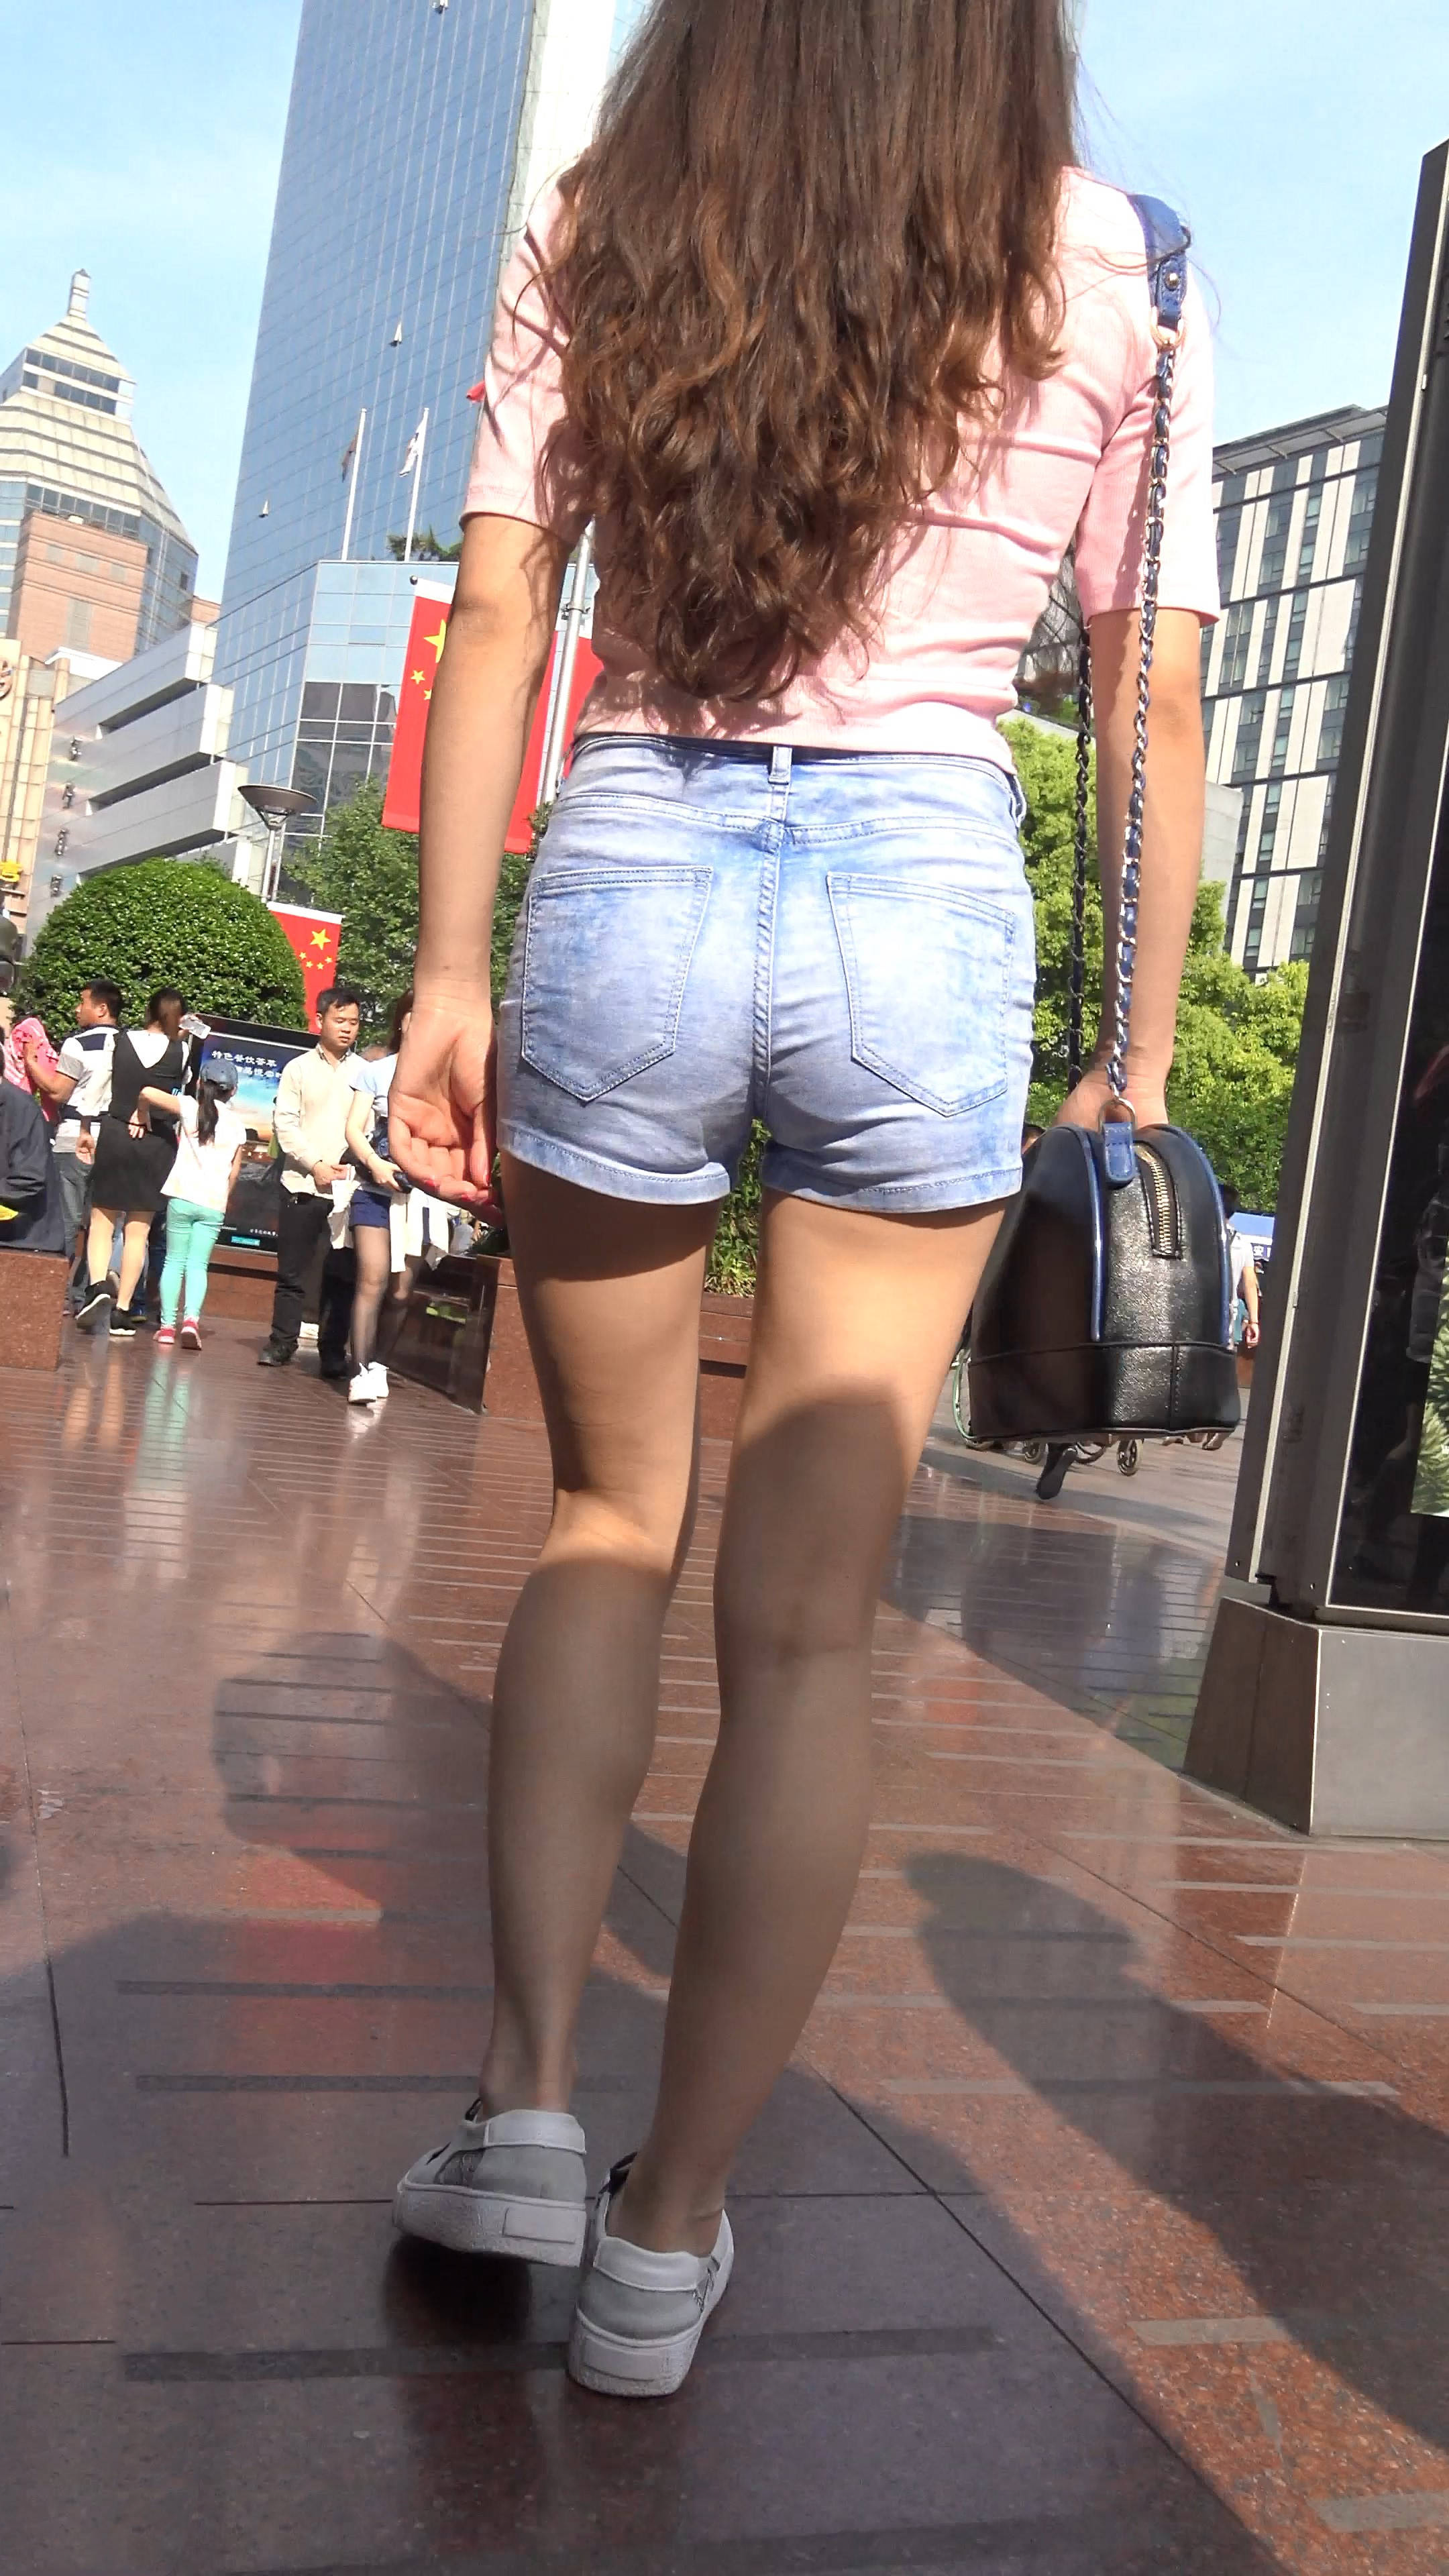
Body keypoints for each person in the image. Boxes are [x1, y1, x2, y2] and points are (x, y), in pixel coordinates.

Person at [388, 0, 1216, 2398]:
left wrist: (450, 974)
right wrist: (1142, 1054)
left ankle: (526, 2112)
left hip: (639, 850)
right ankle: (667, 2240)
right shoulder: (1114, 259)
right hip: (921, 894)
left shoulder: (611, 219)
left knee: (603, 1520)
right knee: (806, 1625)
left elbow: (507, 615)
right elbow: (1146, 700)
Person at [256, 985, 362, 1375]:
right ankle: (281, 1343)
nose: (347, 1028)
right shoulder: (298, 1069)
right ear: (320, 1020)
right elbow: (285, 1124)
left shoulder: (364, 1074)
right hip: (301, 1185)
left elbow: (369, 1128)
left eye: (354, 1022)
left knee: (342, 1276)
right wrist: (314, 1164)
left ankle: (332, 1352)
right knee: (292, 1273)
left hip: (346, 1190)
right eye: (340, 1020)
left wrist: (349, 1165)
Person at [74, 988, 191, 1337]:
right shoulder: (183, 1050)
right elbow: (181, 1091)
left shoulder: (120, 1041)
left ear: (148, 1011)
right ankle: (123, 1310)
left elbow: (97, 1087)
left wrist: (85, 1127)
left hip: (116, 1131)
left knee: (102, 1220)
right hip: (157, 1142)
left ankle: (97, 1286)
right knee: (138, 1231)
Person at [19, 979, 121, 1306]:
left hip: (75, 1137)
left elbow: (59, 1091)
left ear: (101, 1009)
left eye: (83, 1002)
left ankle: (57, 1293)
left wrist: (31, 1061)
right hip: (114, 1141)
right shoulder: (130, 1046)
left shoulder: (78, 1044)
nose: (78, 1009)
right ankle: (85, 1294)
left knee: (66, 1218)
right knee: (101, 1225)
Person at [136, 1059, 249, 1350]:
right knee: (198, 1265)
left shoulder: (189, 1108)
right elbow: (235, 1171)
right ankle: (191, 1322)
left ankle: (166, 1328)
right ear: (233, 1091)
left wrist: (141, 1113)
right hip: (213, 1203)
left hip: (182, 1196)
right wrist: (223, 1197)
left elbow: (147, 1092)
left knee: (174, 1261)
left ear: (200, 1083)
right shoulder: (238, 1126)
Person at [342, 990, 419, 1405]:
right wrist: (374, 1163)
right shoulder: (376, 1072)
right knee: (371, 1279)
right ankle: (359, 1371)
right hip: (374, 1189)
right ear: (400, 1021)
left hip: (423, 1199)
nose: (419, 1025)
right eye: (412, 1015)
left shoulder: (446, 1077)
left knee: (402, 1291)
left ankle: (380, 1365)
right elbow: (354, 1128)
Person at [1221, 1184, 1261, 1352]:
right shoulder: (1242, 1243)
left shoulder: (1198, 1236)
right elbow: (1250, 1284)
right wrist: (1254, 1321)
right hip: (1228, 1321)